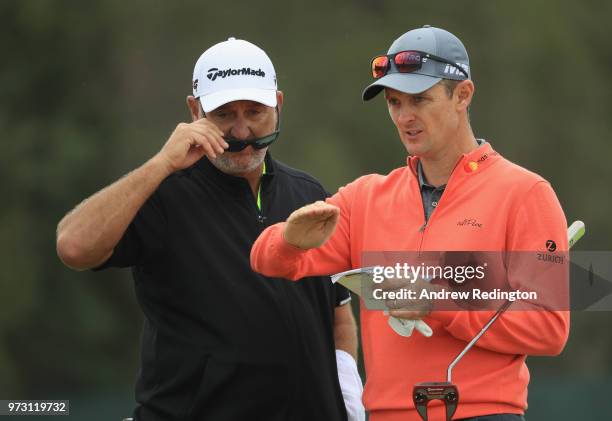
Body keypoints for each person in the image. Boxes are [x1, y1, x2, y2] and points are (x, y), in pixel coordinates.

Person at [250, 26, 570, 421]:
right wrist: (289, 240)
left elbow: (549, 326)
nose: (405, 117)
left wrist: (438, 300)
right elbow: (267, 261)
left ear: (463, 95)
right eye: (395, 102)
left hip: (482, 413)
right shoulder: (364, 198)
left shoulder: (525, 193)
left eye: (420, 99)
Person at [56, 37, 364, 421]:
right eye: (223, 114)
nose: (241, 130)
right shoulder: (162, 194)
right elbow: (73, 246)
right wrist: (161, 164)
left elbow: (337, 313)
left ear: (278, 105)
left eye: (255, 111)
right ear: (194, 110)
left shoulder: (310, 194)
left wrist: (347, 390)